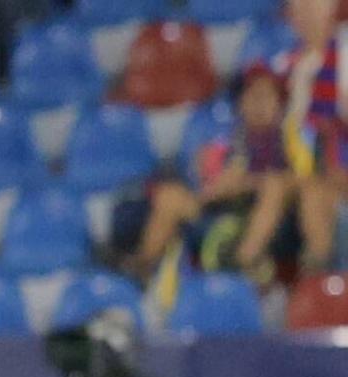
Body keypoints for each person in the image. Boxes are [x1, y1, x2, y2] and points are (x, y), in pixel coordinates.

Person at [128, 63, 331, 284]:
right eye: (251, 96)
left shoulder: (295, 136)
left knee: (275, 185)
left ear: (280, 103)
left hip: (281, 219)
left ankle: (245, 261)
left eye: (265, 96)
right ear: (240, 104)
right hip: (228, 213)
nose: (258, 104)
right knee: (170, 196)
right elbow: (214, 188)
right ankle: (140, 272)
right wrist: (220, 188)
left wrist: (250, 183)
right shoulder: (231, 141)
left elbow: (306, 180)